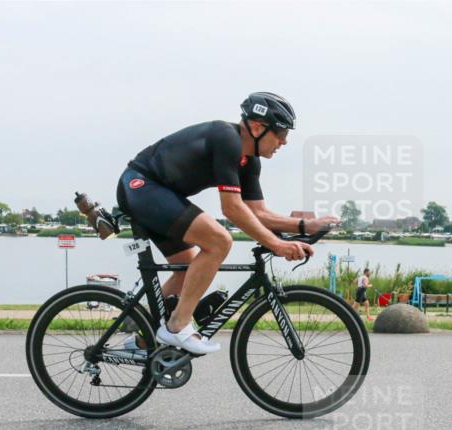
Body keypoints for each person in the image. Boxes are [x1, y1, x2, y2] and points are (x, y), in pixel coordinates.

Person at [116, 92, 338, 354]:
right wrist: (276, 244)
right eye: (281, 133)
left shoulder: (249, 161)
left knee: (188, 270)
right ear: (257, 127)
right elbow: (231, 208)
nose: (284, 141)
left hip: (159, 195)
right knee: (219, 241)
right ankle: (176, 326)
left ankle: (143, 337)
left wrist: (304, 227)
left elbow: (259, 213)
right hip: (142, 186)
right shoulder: (227, 139)